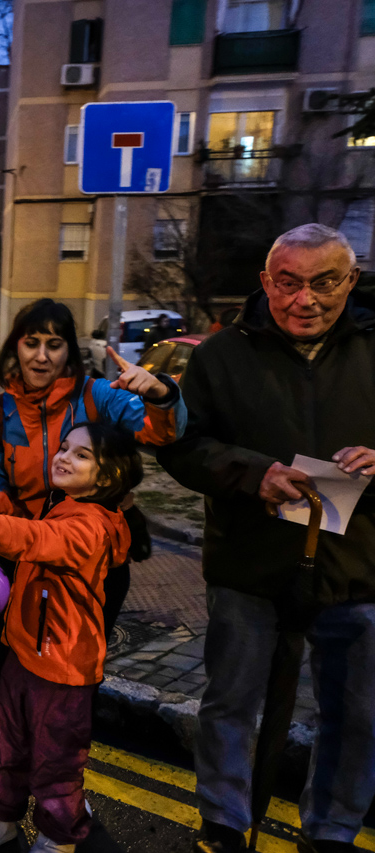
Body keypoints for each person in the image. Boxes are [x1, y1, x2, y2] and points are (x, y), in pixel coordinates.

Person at [156, 224, 375, 853]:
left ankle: (331, 831)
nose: (305, 299)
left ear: (350, 281)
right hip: (250, 562)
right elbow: (182, 445)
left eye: (324, 282)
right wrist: (255, 474)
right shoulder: (220, 355)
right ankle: (224, 824)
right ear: (266, 283)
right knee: (231, 702)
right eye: (288, 282)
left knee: (356, 715)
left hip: (356, 564)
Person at [0, 297, 187, 819]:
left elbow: (163, 431)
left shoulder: (97, 396)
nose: (41, 356)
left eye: (54, 344)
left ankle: (59, 798)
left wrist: (159, 392)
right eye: (31, 342)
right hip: (21, 557)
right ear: (15, 346)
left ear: (69, 351)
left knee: (70, 688)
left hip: (92, 564)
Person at [0, 423, 141, 853]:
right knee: (7, 742)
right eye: (64, 447)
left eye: (81, 455)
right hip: (24, 652)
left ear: (108, 476)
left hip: (64, 665)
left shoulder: (92, 525)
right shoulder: (64, 505)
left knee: (57, 759)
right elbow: (29, 531)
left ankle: (59, 834)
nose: (63, 457)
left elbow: (37, 538)